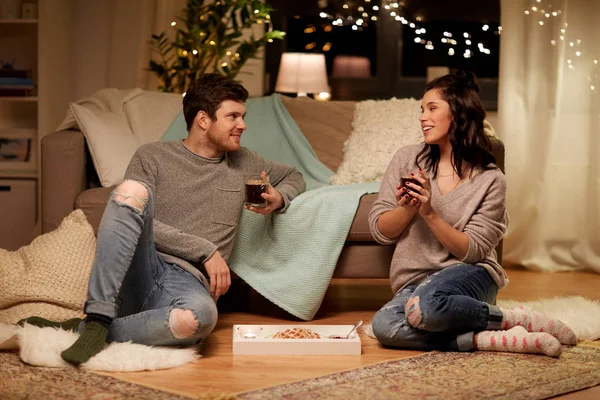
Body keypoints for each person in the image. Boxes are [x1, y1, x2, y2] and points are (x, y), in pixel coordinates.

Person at [21, 73, 306, 365]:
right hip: (142, 266)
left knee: (199, 319)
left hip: (189, 282)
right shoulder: (152, 156)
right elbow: (133, 217)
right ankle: (98, 315)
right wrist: (204, 250)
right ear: (203, 119)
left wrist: (278, 198)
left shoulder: (245, 161)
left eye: (243, 116)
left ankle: (88, 330)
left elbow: (294, 176)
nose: (242, 125)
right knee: (130, 191)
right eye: (233, 116)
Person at [368, 71, 576, 357]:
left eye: (432, 108)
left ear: (457, 113)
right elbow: (381, 231)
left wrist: (429, 213)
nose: (422, 117)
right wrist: (408, 208)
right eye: (421, 109)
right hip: (414, 282)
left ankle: (516, 319)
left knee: (429, 307)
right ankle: (489, 338)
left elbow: (474, 251)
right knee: (384, 326)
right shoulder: (407, 159)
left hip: (470, 275)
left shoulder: (490, 179)